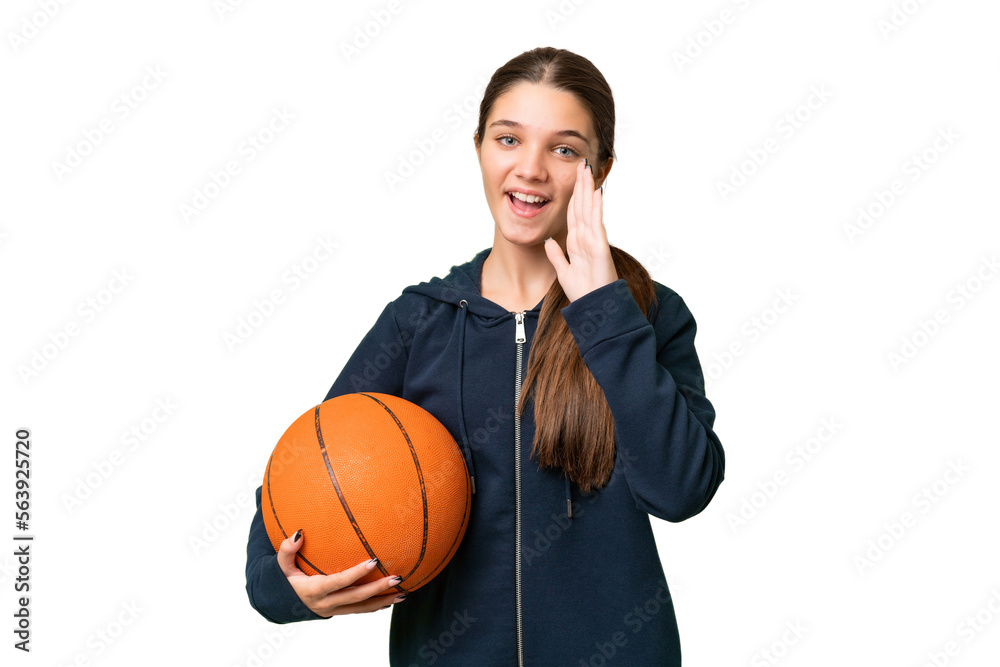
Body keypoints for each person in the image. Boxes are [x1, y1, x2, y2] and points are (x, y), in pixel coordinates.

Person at [245, 46, 725, 666]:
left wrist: (604, 315)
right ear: (478, 148)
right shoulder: (418, 323)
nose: (531, 169)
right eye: (508, 139)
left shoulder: (647, 315)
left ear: (599, 170)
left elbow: (683, 489)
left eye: (564, 150)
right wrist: (286, 587)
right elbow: (304, 478)